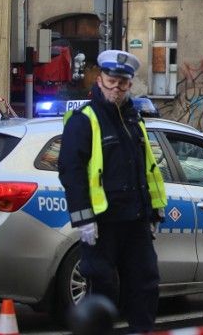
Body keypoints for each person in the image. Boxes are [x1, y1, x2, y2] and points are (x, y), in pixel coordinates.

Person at [59, 50, 167, 333]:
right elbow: (72, 171)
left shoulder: (133, 120)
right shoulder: (83, 120)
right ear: (99, 79)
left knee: (145, 284)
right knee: (102, 287)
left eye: (122, 83)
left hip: (135, 220)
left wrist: (154, 211)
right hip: (102, 223)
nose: (115, 89)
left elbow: (147, 170)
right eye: (110, 81)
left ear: (130, 84)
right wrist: (83, 217)